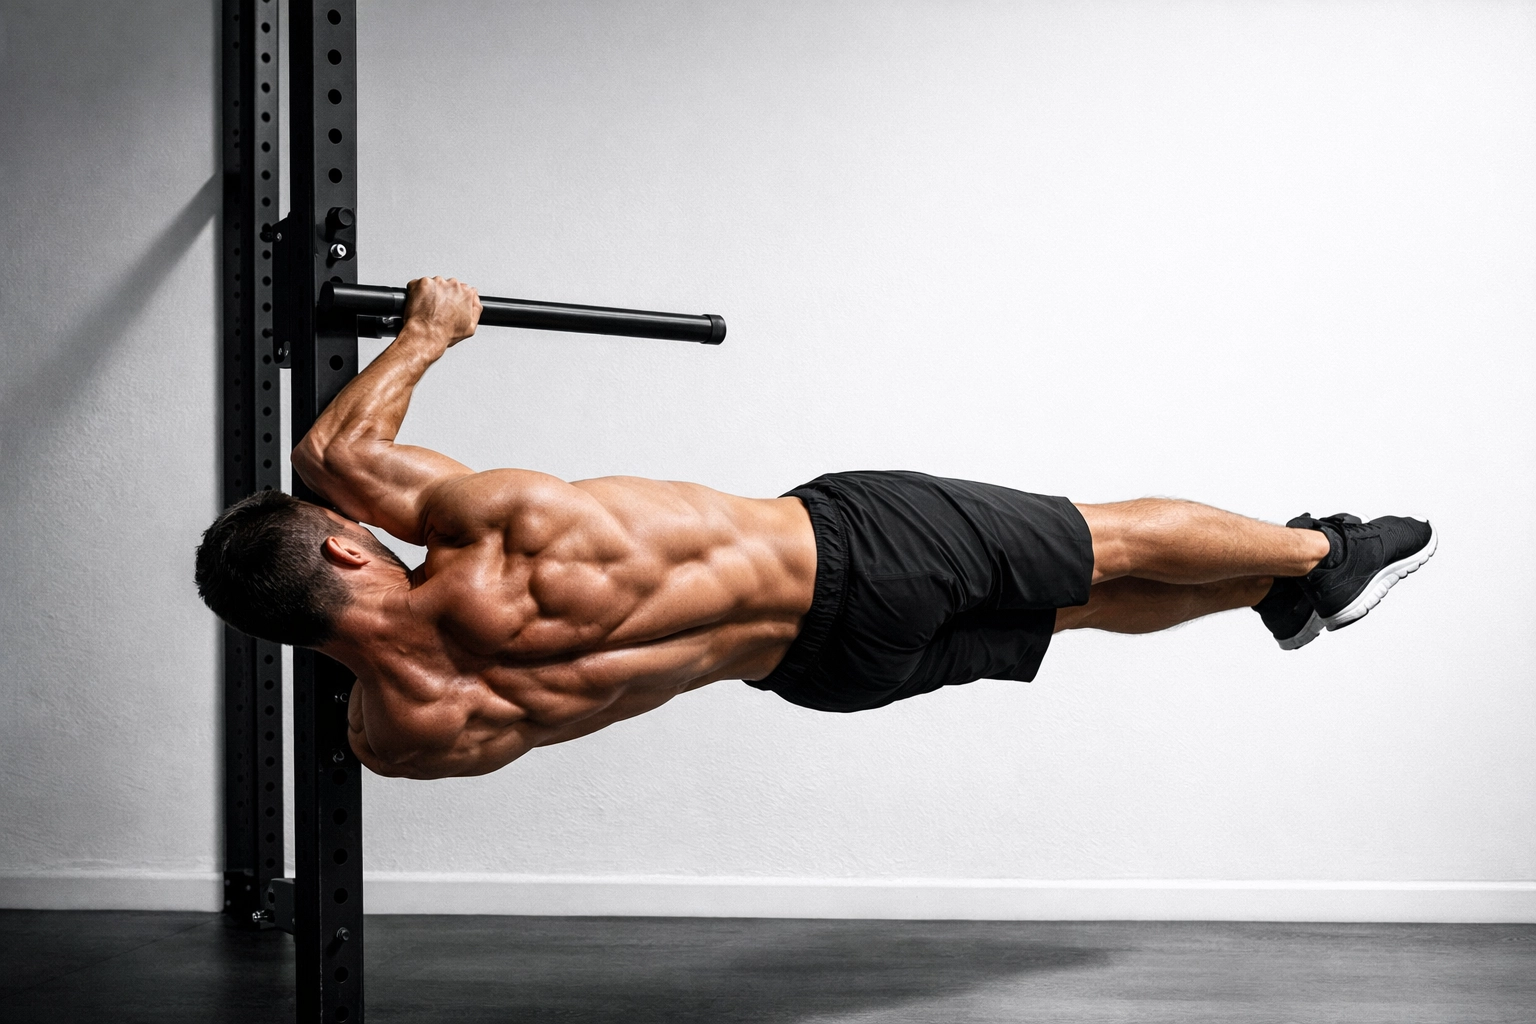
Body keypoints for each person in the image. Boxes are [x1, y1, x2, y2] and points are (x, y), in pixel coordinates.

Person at [195, 278, 1436, 780]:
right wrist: (429, 329)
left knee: (1084, 609)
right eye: (348, 529)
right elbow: (336, 455)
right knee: (1099, 540)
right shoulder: (495, 534)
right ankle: (1326, 552)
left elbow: (343, 600)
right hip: (848, 548)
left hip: (827, 673)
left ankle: (1279, 600)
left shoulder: (396, 735)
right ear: (351, 545)